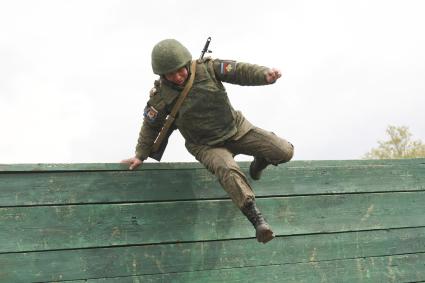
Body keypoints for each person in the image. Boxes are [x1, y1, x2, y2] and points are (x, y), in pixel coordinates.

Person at [122, 39, 294, 244]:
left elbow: (239, 71)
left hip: (236, 129)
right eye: (170, 74)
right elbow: (150, 126)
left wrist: (265, 75)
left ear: (186, 63)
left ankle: (260, 161)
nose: (177, 77)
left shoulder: (208, 69)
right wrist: (140, 155)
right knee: (227, 170)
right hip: (206, 145)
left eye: (180, 70)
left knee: (284, 151)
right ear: (162, 75)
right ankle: (258, 221)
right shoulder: (161, 97)